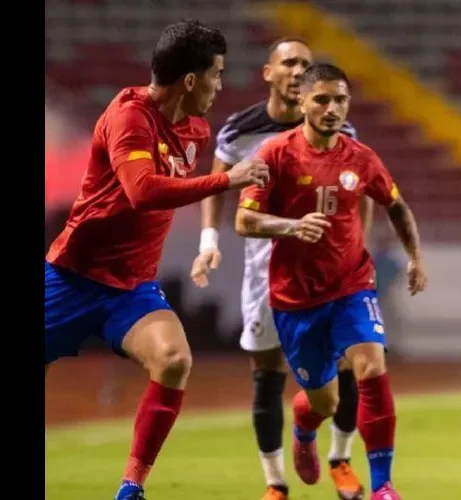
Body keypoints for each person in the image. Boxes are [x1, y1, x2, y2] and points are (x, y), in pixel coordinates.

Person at [44, 19, 269, 500]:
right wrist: (226, 180)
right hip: (71, 277)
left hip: (130, 287)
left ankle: (131, 488)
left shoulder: (196, 129)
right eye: (218, 74)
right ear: (191, 80)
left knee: (173, 359)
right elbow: (142, 191)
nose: (220, 85)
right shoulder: (129, 115)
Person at [234, 62, 426, 500]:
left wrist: (414, 258)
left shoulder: (361, 157)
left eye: (340, 99)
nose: (332, 107)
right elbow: (244, 220)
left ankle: (382, 487)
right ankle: (304, 429)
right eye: (321, 98)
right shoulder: (274, 154)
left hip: (352, 286)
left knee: (372, 368)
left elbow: (395, 206)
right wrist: (290, 226)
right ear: (301, 100)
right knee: (324, 403)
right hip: (295, 299)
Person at [189, 37, 367, 500]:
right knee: (267, 372)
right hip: (266, 270)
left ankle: (340, 458)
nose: (296, 71)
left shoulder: (342, 134)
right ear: (268, 71)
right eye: (288, 63)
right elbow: (218, 185)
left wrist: (357, 250)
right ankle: (275, 483)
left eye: (305, 65)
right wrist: (209, 241)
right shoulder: (242, 130)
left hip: (330, 273)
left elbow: (360, 192)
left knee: (348, 364)